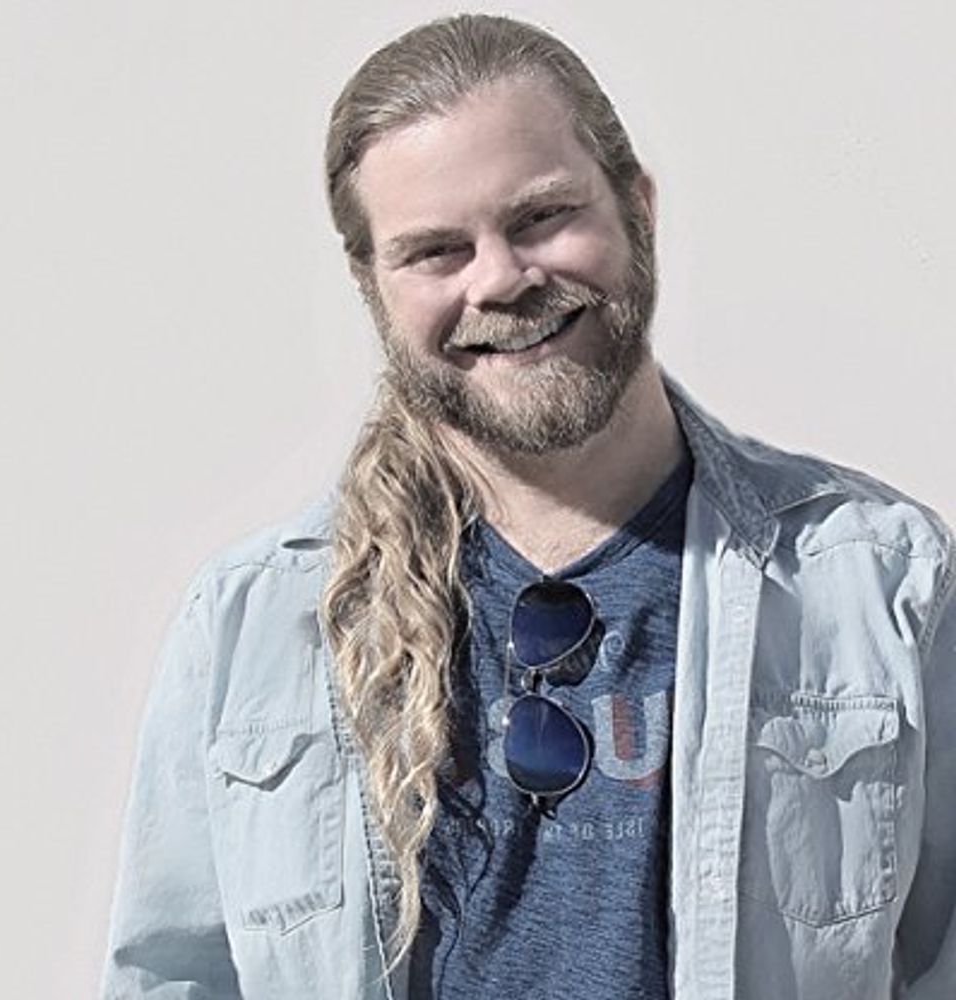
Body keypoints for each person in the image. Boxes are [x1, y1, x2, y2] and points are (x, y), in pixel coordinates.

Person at [101, 14, 956, 1000]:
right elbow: (172, 978)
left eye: (542, 216)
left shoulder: (881, 583)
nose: (502, 278)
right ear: (371, 285)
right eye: (436, 250)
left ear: (638, 208)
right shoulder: (253, 625)